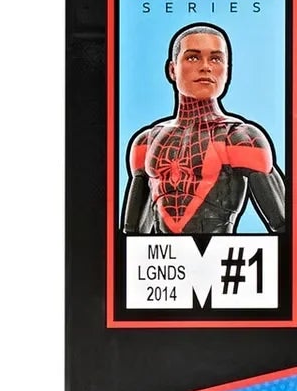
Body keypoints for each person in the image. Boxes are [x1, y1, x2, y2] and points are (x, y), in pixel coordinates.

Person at [121, 23, 287, 236]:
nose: (206, 67)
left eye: (216, 59)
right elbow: (131, 232)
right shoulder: (147, 142)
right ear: (172, 70)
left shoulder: (239, 138)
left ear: (227, 72)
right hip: (165, 256)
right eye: (193, 57)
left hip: (220, 254)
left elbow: (285, 225)